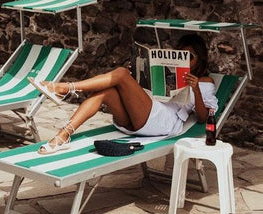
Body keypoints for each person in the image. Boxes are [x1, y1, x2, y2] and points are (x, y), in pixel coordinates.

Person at [28, 34, 218, 155]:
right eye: (181, 55)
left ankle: (64, 89)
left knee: (120, 73)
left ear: (200, 60)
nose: (187, 60)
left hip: (163, 121)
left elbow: (204, 118)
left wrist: (195, 90)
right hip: (142, 113)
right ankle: (62, 136)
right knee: (108, 92)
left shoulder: (205, 83)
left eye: (190, 57)